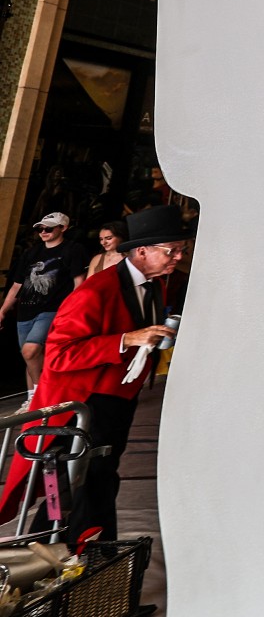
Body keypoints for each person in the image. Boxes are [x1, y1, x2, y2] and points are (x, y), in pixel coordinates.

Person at [0, 205, 189, 542]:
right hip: (82, 404)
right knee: (71, 486)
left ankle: (94, 564)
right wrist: (126, 339)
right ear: (141, 251)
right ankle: (52, 563)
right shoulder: (95, 291)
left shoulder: (154, 285)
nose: (177, 257)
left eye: (180, 250)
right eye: (171, 250)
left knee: (100, 478)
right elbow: (58, 355)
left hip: (116, 400)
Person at [1, 213, 89, 397]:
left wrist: (72, 310)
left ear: (62, 228)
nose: (43, 232)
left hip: (52, 309)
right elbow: (18, 285)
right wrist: (3, 310)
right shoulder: (31, 253)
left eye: (48, 228)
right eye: (40, 229)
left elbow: (78, 281)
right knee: (30, 357)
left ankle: (40, 395)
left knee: (30, 351)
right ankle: (32, 398)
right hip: (25, 309)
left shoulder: (73, 249)